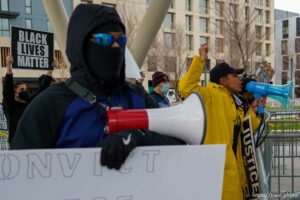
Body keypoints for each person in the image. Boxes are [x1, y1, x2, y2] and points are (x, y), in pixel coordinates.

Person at [11, 4, 184, 170]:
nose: (115, 47)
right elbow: (20, 175)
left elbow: (182, 145)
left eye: (120, 40)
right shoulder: (50, 105)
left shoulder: (138, 97)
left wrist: (140, 136)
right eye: (105, 39)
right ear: (81, 45)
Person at [178, 44, 261, 200]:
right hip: (216, 168)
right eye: (235, 76)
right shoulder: (209, 94)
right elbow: (185, 88)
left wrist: (254, 108)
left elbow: (247, 129)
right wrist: (200, 60)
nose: (239, 80)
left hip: (233, 166)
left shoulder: (234, 100)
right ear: (223, 80)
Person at [2, 54, 53, 144]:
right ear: (15, 93)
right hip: (17, 143)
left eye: (26, 89)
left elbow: (41, 91)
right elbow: (7, 90)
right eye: (22, 89)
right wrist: (8, 67)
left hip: (32, 143)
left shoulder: (29, 103)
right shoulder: (11, 106)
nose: (25, 91)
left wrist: (50, 71)